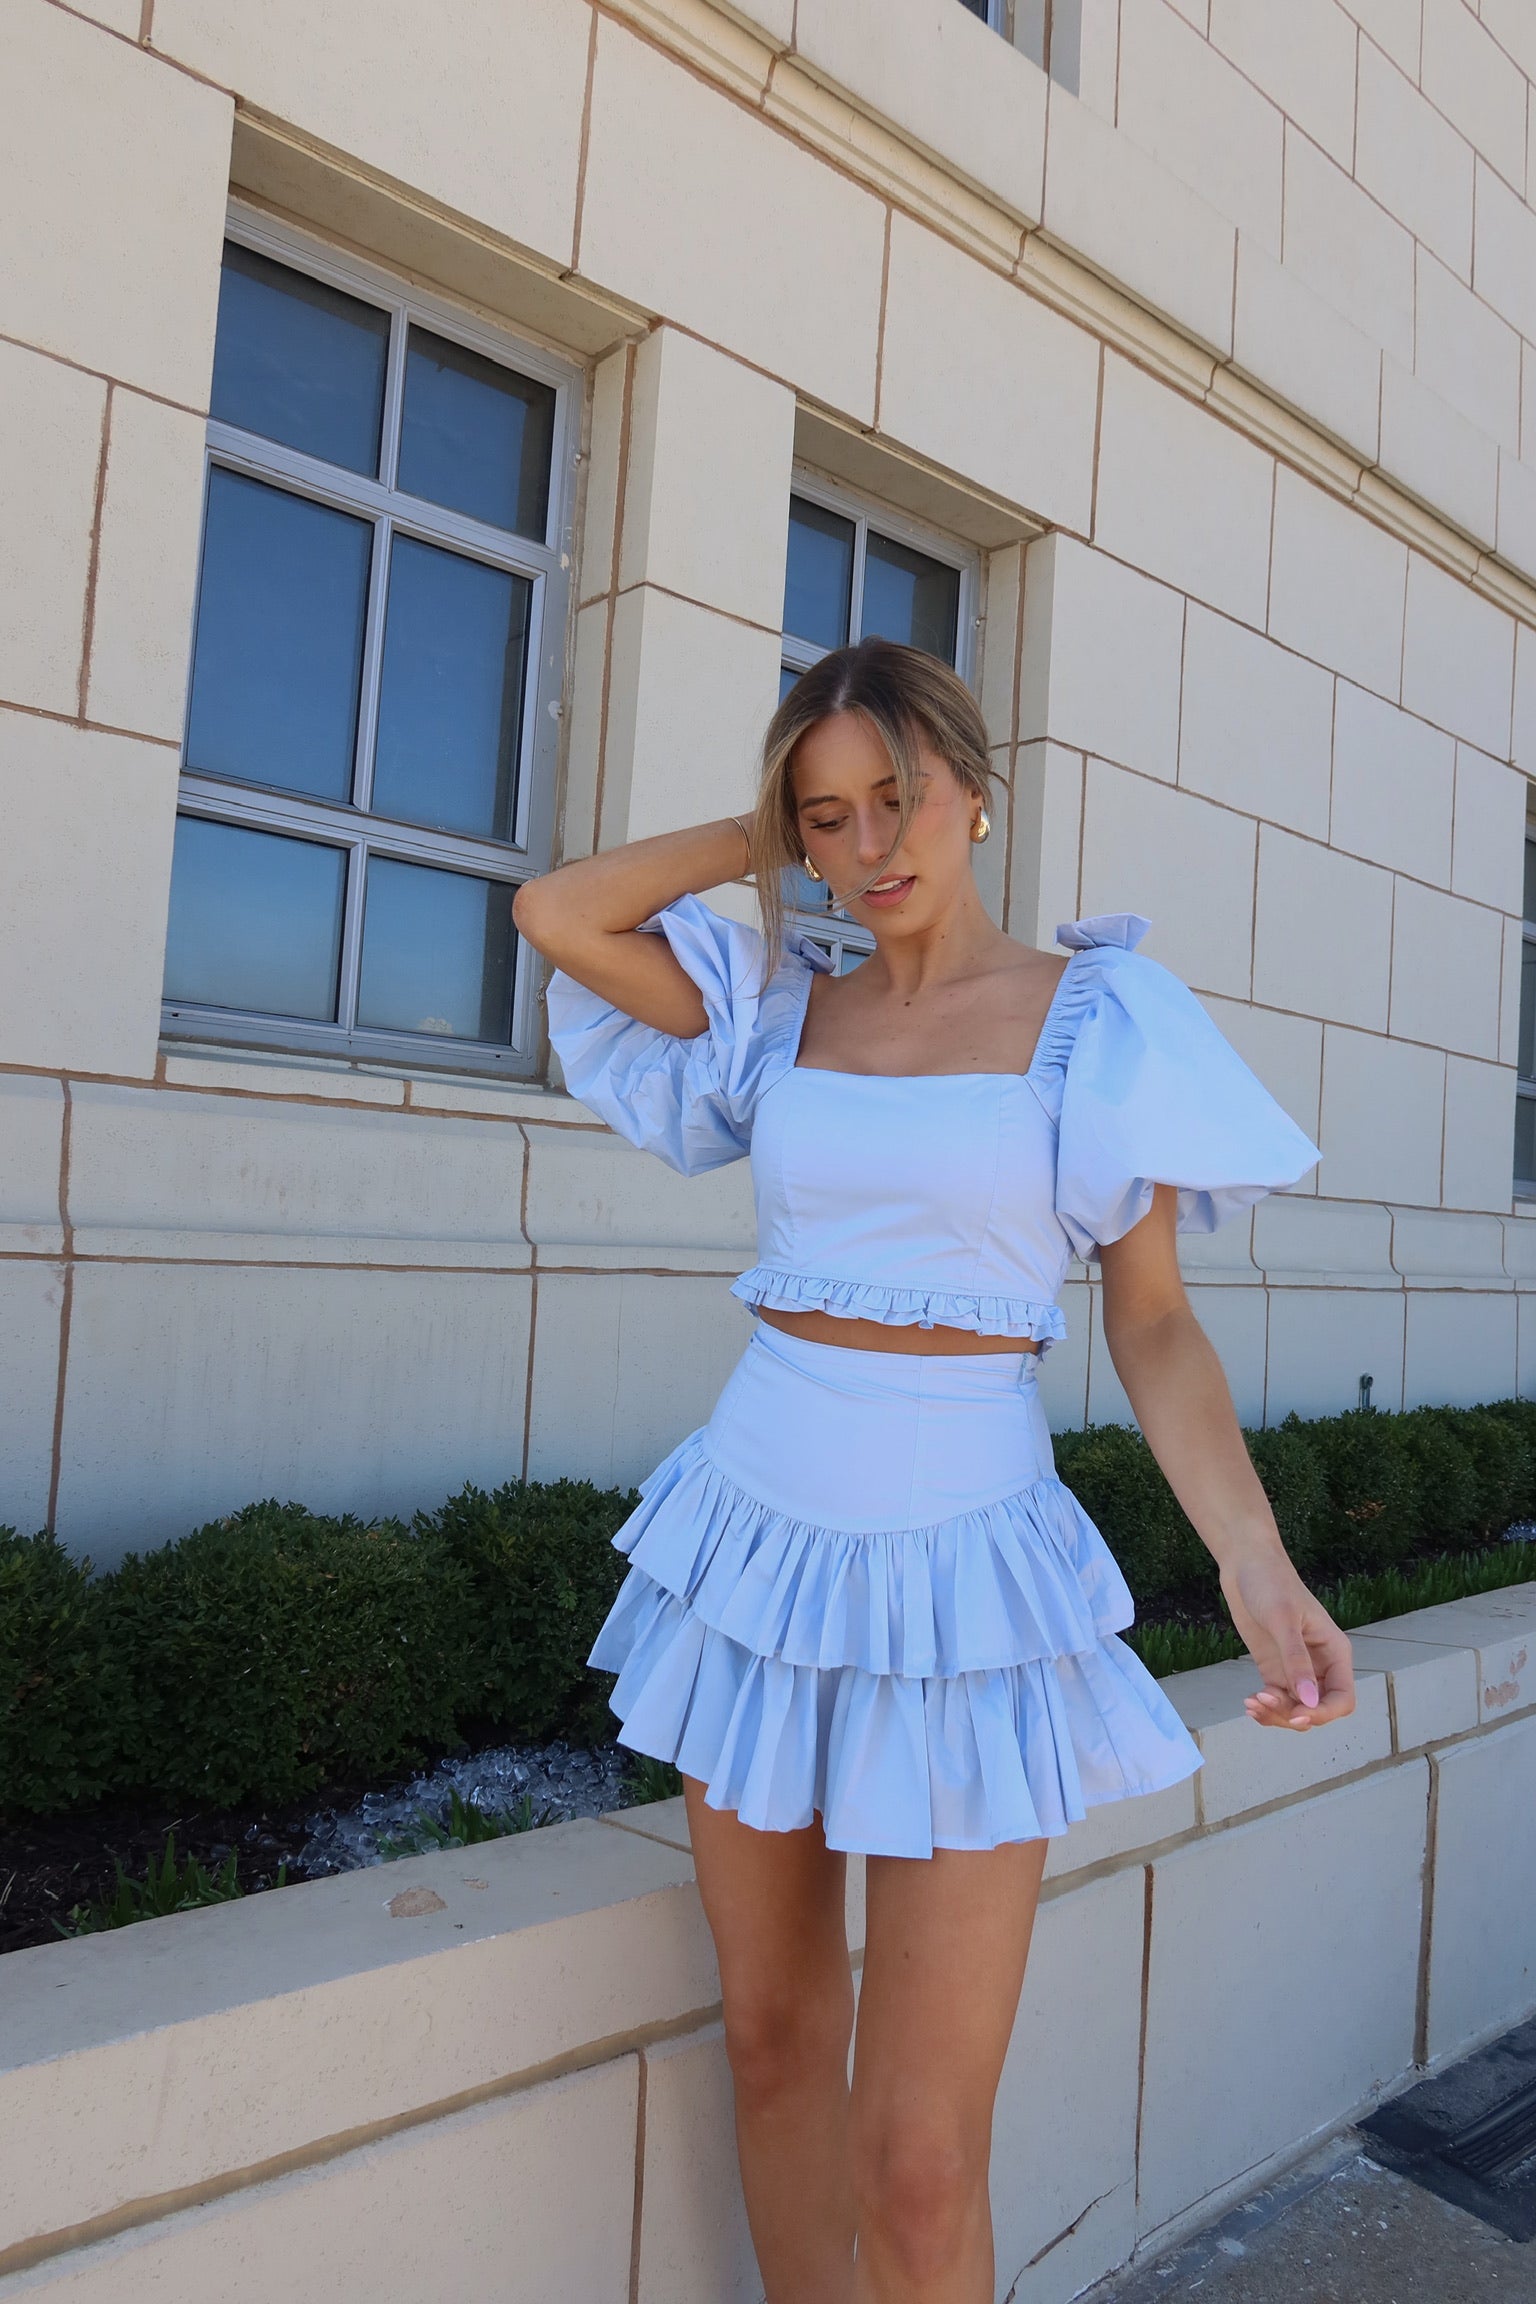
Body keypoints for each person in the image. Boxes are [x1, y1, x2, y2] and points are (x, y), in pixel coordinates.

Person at [512, 636, 1356, 2304]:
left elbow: (1155, 1324)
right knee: (771, 2043)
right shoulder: (780, 1013)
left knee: (918, 2153)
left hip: (965, 1565)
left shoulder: (1098, 1019)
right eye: (827, 817)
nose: (869, 844)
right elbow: (560, 913)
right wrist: (758, 838)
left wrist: (1256, 1567)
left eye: (897, 797)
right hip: (754, 1546)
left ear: (978, 791)